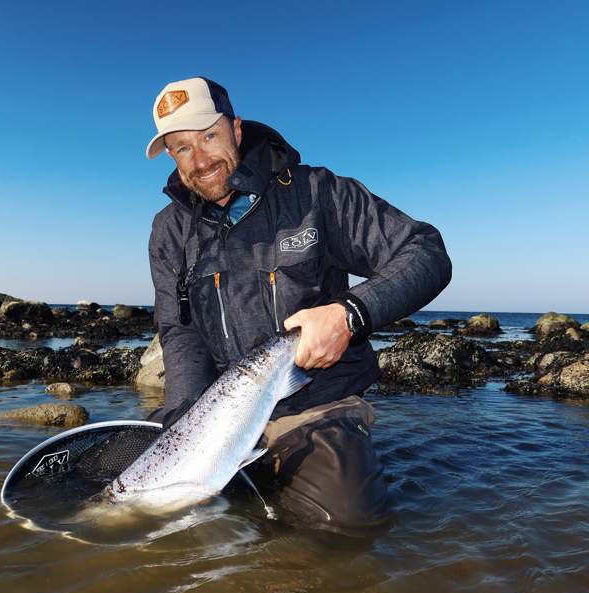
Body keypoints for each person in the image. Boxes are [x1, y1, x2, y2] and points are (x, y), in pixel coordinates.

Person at [145, 77, 451, 529]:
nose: (201, 160)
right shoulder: (169, 230)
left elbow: (426, 251)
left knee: (344, 524)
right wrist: (186, 421)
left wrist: (350, 315)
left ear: (237, 128)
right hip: (216, 415)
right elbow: (180, 330)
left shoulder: (317, 193)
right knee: (165, 527)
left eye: (208, 136)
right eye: (182, 148)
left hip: (315, 404)